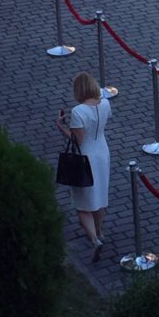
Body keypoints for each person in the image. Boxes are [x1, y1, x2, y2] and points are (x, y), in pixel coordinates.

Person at [55, 72, 112, 262]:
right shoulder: (105, 103)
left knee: (82, 204)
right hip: (102, 152)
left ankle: (94, 239)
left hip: (85, 157)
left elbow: (77, 140)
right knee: (99, 196)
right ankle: (100, 231)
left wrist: (61, 127)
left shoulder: (79, 111)